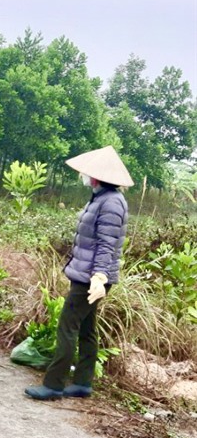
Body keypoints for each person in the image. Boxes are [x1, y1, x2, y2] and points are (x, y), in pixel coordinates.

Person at [24, 146, 133, 401]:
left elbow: (106, 244)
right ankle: (83, 382)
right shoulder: (101, 197)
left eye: (86, 173)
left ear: (97, 177)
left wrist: (99, 277)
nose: (83, 176)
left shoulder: (111, 202)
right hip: (87, 274)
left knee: (67, 327)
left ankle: (53, 385)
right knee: (86, 327)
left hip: (91, 278)